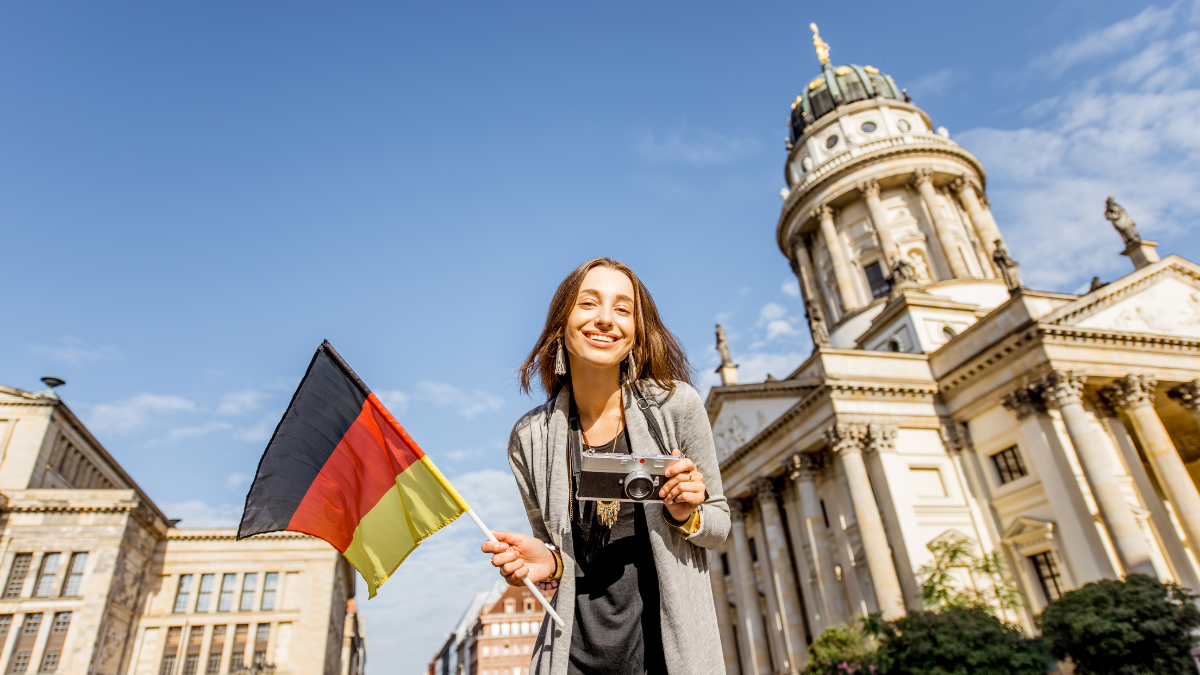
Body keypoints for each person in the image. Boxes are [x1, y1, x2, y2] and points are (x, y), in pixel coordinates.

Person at [482, 258, 730, 675]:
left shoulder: (676, 406)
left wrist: (686, 514)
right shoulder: (529, 437)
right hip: (572, 657)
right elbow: (559, 556)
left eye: (622, 309)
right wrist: (545, 562)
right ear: (561, 323)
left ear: (636, 334)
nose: (604, 319)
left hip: (667, 656)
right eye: (588, 303)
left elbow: (719, 524)